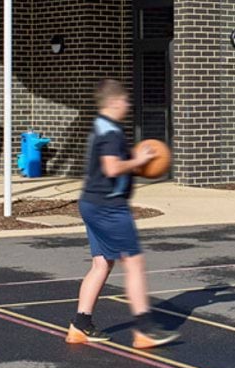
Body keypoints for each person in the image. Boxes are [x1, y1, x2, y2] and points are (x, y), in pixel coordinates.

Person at [66, 77, 178, 349]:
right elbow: (112, 168)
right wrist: (138, 161)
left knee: (102, 263)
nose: (128, 104)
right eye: (126, 100)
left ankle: (80, 325)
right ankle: (143, 330)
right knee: (134, 263)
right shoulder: (110, 133)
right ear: (114, 102)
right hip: (108, 207)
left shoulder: (100, 127)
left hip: (91, 203)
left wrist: (136, 164)